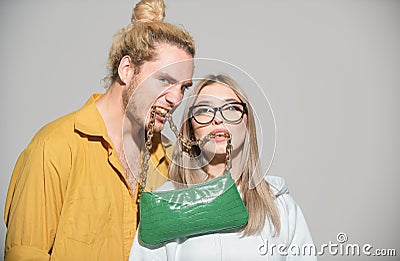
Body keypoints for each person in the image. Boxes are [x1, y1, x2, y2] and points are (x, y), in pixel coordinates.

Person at [3, 0, 195, 260]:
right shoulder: (54, 147)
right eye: (164, 80)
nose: (175, 98)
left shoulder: (170, 160)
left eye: (183, 87)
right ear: (127, 70)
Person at [129, 74, 316, 260]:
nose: (218, 119)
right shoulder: (166, 205)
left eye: (231, 107)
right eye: (204, 110)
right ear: (191, 130)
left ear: (247, 123)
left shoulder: (280, 206)